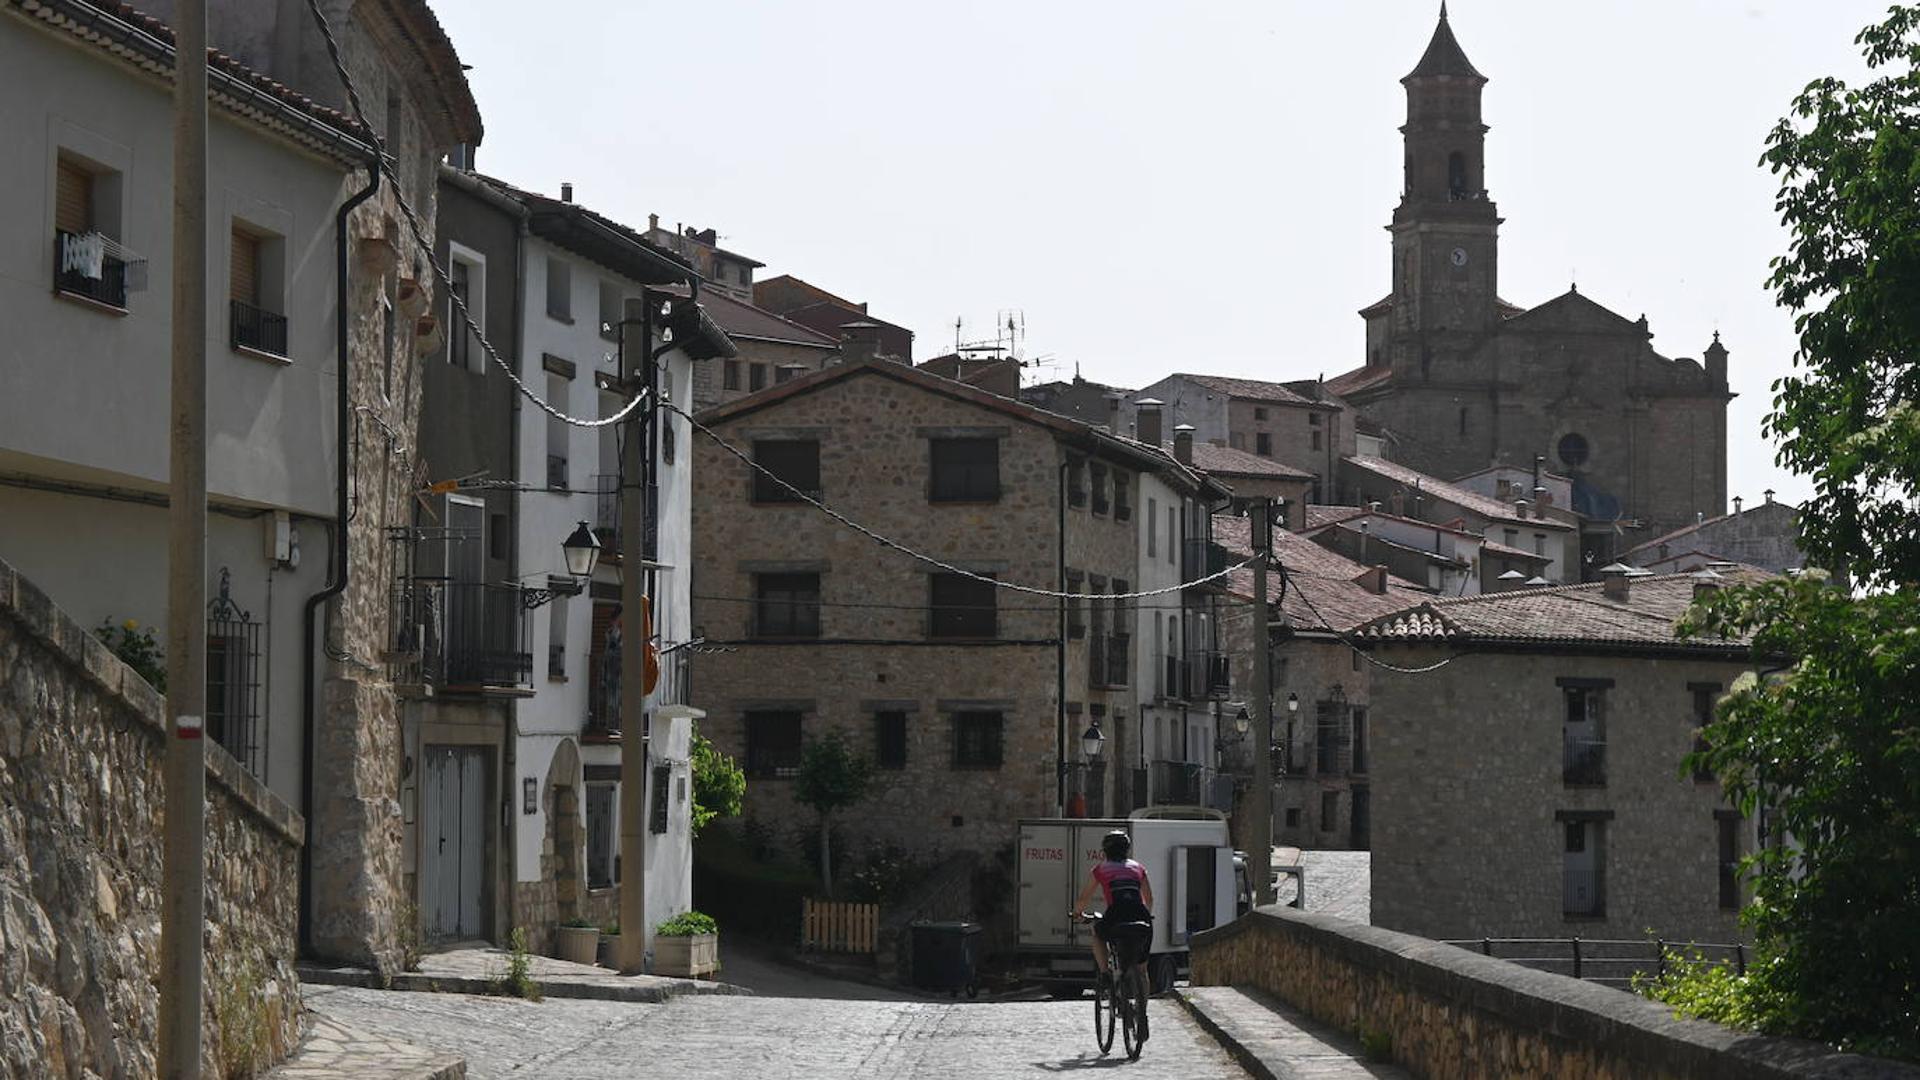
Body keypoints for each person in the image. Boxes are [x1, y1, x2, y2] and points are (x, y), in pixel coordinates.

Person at [1071, 830, 1155, 1004]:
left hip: (1116, 915)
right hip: (1141, 916)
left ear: (1105, 850)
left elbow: (1084, 898)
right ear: (1127, 849)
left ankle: (1104, 973)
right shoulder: (1138, 868)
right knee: (1141, 970)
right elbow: (1149, 899)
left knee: (1096, 931)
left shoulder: (1101, 869)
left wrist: (1078, 914)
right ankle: (1142, 1014)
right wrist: (1147, 914)